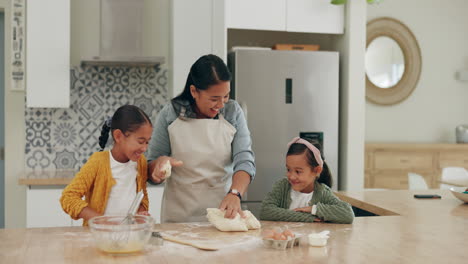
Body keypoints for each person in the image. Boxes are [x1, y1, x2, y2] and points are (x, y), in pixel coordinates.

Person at [147, 54, 256, 223]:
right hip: (178, 216)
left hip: (222, 213)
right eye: (214, 98)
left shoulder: (233, 113)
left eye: (226, 96)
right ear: (193, 91)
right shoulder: (170, 114)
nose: (221, 105)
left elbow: (245, 161)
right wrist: (157, 169)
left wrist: (235, 193)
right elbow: (151, 166)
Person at [60, 105, 153, 226]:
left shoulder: (140, 162)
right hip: (99, 237)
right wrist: (100, 220)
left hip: (128, 235)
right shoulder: (98, 162)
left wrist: (141, 212)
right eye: (140, 141)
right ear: (118, 136)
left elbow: (141, 196)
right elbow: (68, 198)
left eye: (147, 142)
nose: (145, 148)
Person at [260, 137, 354, 224]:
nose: (291, 176)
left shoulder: (322, 193)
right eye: (288, 169)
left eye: (298, 171)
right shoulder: (282, 186)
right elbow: (265, 211)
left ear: (316, 171)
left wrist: (314, 209)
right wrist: (306, 217)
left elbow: (348, 214)